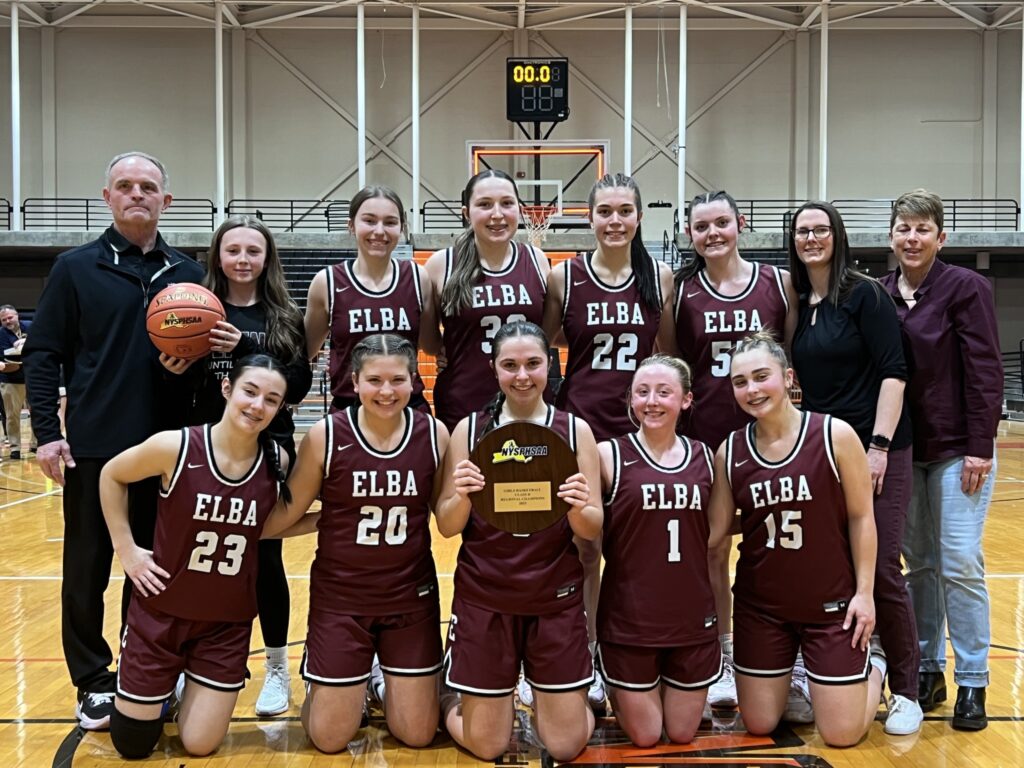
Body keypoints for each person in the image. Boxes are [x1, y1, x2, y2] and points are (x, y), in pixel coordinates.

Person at [22, 151, 204, 730]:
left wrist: (191, 368)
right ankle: (92, 680)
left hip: (167, 448)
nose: (136, 194)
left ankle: (140, 668)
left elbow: (201, 368)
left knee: (153, 568)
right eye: (124, 185)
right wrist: (47, 435)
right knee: (87, 568)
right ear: (107, 197)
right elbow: (43, 354)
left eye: (147, 187)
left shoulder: (188, 275)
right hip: (95, 446)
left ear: (166, 201)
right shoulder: (75, 268)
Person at [99, 355, 308, 759]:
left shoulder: (277, 461)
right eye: (249, 392)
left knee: (200, 744)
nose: (257, 405)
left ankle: (186, 685)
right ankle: (168, 684)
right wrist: (126, 550)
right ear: (227, 388)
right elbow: (112, 474)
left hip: (224, 626)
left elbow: (262, 528)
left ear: (281, 408)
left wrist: (325, 520)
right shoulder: (175, 446)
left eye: (270, 399)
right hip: (160, 618)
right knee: (132, 744)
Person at [267, 334, 448, 752]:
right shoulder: (327, 436)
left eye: (397, 380)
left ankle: (380, 681)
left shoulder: (434, 435)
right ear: (354, 381)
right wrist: (236, 523)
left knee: (418, 734)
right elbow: (284, 516)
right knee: (329, 737)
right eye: (374, 380)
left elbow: (447, 518)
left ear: (413, 381)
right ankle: (341, 679)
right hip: (342, 599)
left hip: (410, 598)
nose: (386, 391)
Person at [436, 321, 602, 762]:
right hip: (486, 596)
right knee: (488, 744)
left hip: (554, 597)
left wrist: (577, 506)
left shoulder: (575, 431)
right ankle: (446, 699)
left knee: (565, 744)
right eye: (510, 365)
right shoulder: (469, 430)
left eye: (533, 364)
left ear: (550, 365)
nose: (522, 375)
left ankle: (559, 700)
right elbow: (447, 526)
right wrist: (463, 495)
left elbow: (592, 528)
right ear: (494, 369)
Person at [708, 331, 885, 747]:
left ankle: (876, 664)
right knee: (759, 723)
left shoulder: (835, 435)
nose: (752, 390)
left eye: (761, 376)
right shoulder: (730, 451)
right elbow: (716, 532)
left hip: (831, 608)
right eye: (740, 382)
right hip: (762, 609)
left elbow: (862, 517)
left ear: (788, 377)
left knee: (841, 734)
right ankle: (798, 673)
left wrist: (865, 594)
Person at [788, 201, 922, 735]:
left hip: (876, 448)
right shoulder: (801, 303)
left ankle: (907, 691)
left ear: (837, 236)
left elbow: (894, 372)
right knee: (835, 567)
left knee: (882, 567)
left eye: (821, 229)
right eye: (802, 231)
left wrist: (879, 446)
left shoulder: (866, 295)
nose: (811, 238)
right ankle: (856, 666)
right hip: (826, 453)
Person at [542, 173, 675, 711]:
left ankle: (638, 646)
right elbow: (544, 342)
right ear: (590, 217)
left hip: (640, 432)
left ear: (639, 217)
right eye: (605, 212)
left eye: (625, 211)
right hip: (581, 427)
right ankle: (589, 652)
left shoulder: (659, 276)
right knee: (586, 547)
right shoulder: (565, 277)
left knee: (638, 546)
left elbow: (668, 352)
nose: (615, 221)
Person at [880, 189, 1003, 731]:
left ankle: (973, 679)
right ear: (891, 237)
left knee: (959, 561)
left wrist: (980, 445)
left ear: (941, 237)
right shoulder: (879, 294)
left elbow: (985, 370)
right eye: (903, 228)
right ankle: (928, 669)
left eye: (922, 229)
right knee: (919, 566)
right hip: (907, 450)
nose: (912, 238)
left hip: (959, 451)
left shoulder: (966, 287)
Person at [670, 190, 796, 713]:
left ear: (740, 223)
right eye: (701, 226)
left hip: (771, 439)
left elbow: (792, 358)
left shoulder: (778, 283)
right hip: (708, 440)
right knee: (714, 548)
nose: (713, 233)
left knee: (780, 542)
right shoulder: (682, 292)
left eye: (721, 222)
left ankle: (788, 651)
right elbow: (674, 364)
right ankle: (722, 653)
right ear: (690, 234)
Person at [181, 215, 313, 716]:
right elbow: (177, 385)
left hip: (266, 449)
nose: (242, 259)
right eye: (232, 250)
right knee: (197, 559)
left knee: (264, 557)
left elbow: (296, 385)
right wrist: (170, 365)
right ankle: (193, 662)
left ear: (267, 259)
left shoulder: (283, 314)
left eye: (253, 251)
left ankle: (277, 668)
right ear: (217, 256)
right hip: (203, 449)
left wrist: (246, 346)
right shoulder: (193, 308)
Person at [596, 355, 720, 746]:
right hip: (630, 621)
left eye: (664, 392)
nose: (651, 401)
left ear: (686, 399)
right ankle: (607, 680)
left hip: (690, 618)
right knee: (647, 736)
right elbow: (586, 545)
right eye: (642, 392)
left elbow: (718, 541)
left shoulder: (707, 457)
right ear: (630, 399)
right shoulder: (607, 455)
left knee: (681, 733)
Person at [425, 170, 550, 431]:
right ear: (466, 212)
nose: (497, 214)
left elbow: (548, 334)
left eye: (507, 203)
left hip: (528, 402)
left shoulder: (537, 260)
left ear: (519, 209)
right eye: (484, 204)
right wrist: (446, 350)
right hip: (463, 404)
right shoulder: (441, 265)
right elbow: (427, 340)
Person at [305, 185, 440, 411]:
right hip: (349, 408)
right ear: (351, 225)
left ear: (402, 227)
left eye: (390, 222)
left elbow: (432, 346)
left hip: (407, 407)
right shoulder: (327, 282)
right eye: (369, 220)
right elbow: (306, 352)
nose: (379, 231)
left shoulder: (418, 278)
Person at [0, 305, 36, 459]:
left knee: (38, 411)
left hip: (33, 377)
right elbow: (3, 355)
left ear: (17, 316)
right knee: (12, 415)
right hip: (10, 380)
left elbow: (41, 341)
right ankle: (15, 447)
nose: (8, 321)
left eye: (10, 317)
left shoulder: (31, 326)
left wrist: (26, 341)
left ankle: (36, 443)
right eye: (4, 320)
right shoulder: (1, 334)